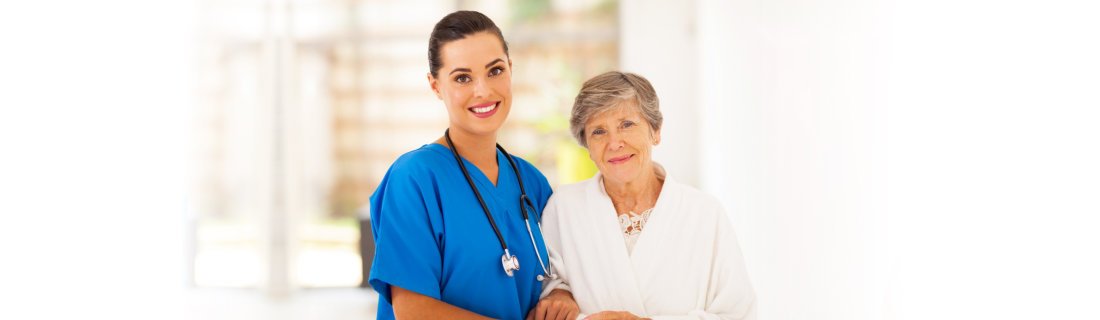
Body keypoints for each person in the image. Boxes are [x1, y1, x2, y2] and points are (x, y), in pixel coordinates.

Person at [368, 11, 578, 320]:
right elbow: (414, 311)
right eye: (462, 78)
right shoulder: (413, 180)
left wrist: (561, 293)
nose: (483, 90)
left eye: (495, 71)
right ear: (435, 86)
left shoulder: (530, 182)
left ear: (510, 70)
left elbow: (554, 273)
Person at [540, 71, 757, 320]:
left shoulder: (705, 213)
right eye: (598, 131)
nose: (614, 143)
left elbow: (739, 314)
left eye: (627, 125)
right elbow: (546, 295)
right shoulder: (563, 208)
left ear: (655, 131)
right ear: (586, 145)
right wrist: (559, 295)